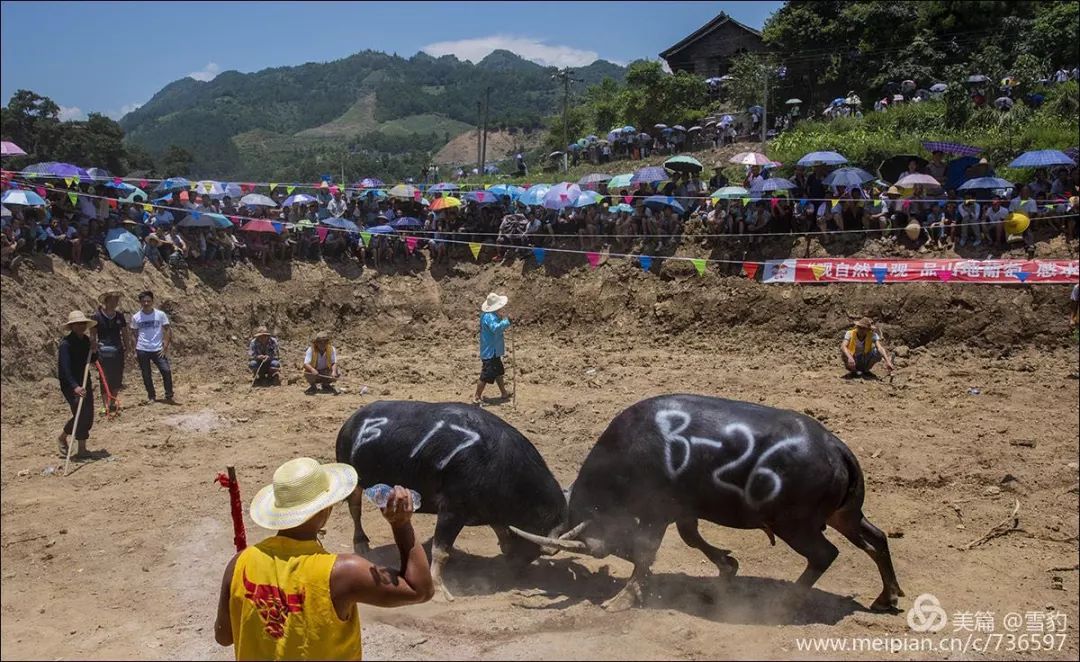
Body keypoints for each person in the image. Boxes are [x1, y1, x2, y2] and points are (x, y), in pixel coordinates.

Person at [214, 458, 432, 660]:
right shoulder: (342, 572)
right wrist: (401, 525)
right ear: (326, 508)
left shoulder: (240, 563)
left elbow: (224, 637)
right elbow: (419, 589)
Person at [57, 310, 98, 458]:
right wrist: (75, 386)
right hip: (70, 384)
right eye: (77, 324)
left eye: (83, 324)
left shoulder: (86, 341)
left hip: (85, 380)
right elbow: (65, 369)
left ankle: (82, 449)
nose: (81, 326)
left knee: (88, 414)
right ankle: (62, 437)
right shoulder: (66, 345)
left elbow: (92, 360)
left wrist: (94, 350)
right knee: (80, 413)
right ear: (72, 326)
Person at [131, 290, 176, 404]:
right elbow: (134, 334)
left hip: (157, 349)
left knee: (166, 370)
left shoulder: (160, 314)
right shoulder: (136, 317)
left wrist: (165, 345)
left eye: (148, 301)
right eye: (143, 301)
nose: (146, 303)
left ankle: (169, 395)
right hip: (142, 348)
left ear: (152, 301)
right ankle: (151, 396)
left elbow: (167, 329)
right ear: (140, 302)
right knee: (146, 374)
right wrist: (135, 350)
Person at [93, 289, 133, 410]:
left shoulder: (119, 316)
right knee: (104, 377)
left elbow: (124, 332)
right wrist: (94, 346)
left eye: (117, 300)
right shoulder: (97, 316)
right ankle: (106, 403)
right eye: (113, 299)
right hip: (103, 351)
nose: (115, 302)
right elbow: (93, 334)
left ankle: (113, 401)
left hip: (117, 350)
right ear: (106, 301)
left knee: (117, 376)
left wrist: (128, 347)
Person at [474, 292, 511, 405]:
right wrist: (506, 321)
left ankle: (503, 392)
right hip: (490, 351)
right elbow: (495, 328)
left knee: (498, 372)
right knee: (486, 375)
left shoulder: (491, 315)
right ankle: (476, 397)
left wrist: (502, 319)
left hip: (493, 350)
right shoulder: (489, 317)